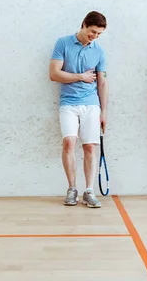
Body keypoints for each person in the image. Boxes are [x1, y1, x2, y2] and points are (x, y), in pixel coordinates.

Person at [49, 11, 108, 208]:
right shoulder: (63, 43)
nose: (95, 37)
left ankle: (89, 191)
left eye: (99, 34)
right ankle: (72, 189)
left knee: (90, 146)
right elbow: (54, 74)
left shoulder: (98, 51)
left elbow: (102, 83)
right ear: (83, 24)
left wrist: (104, 111)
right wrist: (80, 77)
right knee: (68, 143)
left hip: (91, 104)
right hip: (68, 103)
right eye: (92, 32)